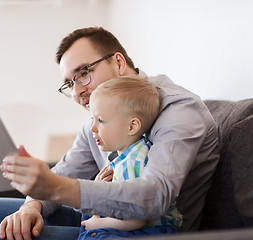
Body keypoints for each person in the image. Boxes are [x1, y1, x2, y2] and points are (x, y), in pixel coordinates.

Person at [0, 27, 219, 240]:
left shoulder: (177, 109)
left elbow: (155, 196)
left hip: (144, 231)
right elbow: (66, 170)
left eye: (83, 73)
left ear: (118, 62)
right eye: (69, 84)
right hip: (105, 218)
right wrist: (32, 205)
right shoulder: (96, 116)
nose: (78, 90)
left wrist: (57, 188)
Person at [78, 75, 183, 240]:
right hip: (135, 226)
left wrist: (100, 223)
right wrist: (99, 189)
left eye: (101, 120)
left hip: (151, 232)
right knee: (88, 215)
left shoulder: (133, 161)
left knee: (92, 234)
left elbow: (137, 219)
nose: (92, 128)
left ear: (132, 126)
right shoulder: (128, 155)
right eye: (93, 119)